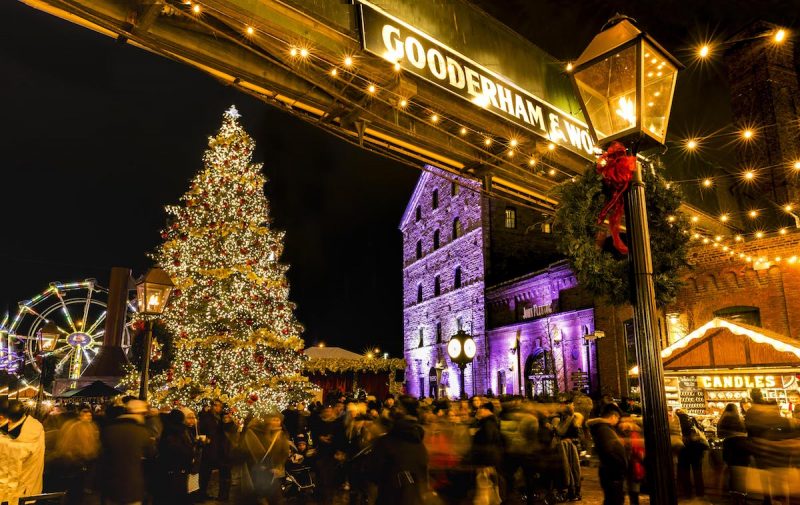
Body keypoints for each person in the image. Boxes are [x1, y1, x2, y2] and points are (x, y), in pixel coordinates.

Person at [367, 395, 429, 505]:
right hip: (414, 498)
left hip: (390, 497)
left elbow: (374, 473)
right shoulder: (419, 441)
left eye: (397, 407)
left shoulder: (386, 442)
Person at [99, 399, 157, 505]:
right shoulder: (142, 432)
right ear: (141, 414)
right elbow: (151, 455)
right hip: (133, 485)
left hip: (110, 484)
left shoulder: (109, 429)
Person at [49, 407, 101, 505]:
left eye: (89, 415)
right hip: (76, 462)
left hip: (71, 462)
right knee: (75, 491)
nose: (88, 417)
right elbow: (88, 447)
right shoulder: (80, 427)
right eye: (86, 415)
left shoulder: (86, 426)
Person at [4, 399, 46, 500]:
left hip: (16, 495)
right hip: (30, 489)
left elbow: (7, 474)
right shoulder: (33, 425)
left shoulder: (20, 443)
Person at [154, 409, 196, 505]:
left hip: (167, 467)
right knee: (179, 494)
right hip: (180, 468)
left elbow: (162, 447)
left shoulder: (166, 429)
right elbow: (186, 450)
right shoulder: (182, 430)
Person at [588, 403, 627, 505]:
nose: (618, 421)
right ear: (613, 416)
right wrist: (620, 465)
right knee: (614, 500)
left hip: (611, 471)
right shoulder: (604, 430)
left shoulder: (606, 429)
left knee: (613, 499)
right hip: (612, 471)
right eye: (617, 418)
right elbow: (609, 451)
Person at [717, 403, 748, 504]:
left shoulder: (722, 419)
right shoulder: (740, 419)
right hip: (743, 445)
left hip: (729, 445)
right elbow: (746, 431)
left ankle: (734, 497)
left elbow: (719, 434)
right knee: (743, 472)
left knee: (731, 472)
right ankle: (743, 495)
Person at [676, 409, 708, 499]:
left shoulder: (677, 423)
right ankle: (700, 492)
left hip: (684, 450)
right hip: (696, 449)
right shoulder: (692, 420)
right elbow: (701, 429)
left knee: (685, 472)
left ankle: (688, 492)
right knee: (697, 471)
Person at [197, 399, 224, 500]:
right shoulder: (206, 416)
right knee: (204, 472)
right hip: (207, 448)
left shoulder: (219, 418)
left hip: (214, 448)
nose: (218, 408)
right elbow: (201, 430)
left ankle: (203, 492)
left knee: (207, 472)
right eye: (216, 405)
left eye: (220, 406)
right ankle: (200, 493)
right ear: (212, 406)